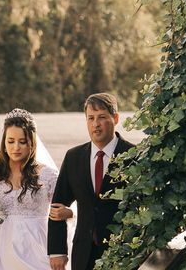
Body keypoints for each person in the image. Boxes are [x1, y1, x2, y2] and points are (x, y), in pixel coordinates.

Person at [0, 108, 70, 270]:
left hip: (35, 244)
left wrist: (68, 215)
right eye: (10, 141)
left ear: (31, 142)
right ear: (4, 142)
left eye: (22, 142)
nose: (16, 147)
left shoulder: (48, 176)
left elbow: (61, 213)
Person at [48, 93, 135, 270]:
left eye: (102, 117)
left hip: (122, 255)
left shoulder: (134, 156)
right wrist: (57, 251)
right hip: (83, 253)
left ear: (115, 118)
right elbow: (57, 206)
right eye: (91, 118)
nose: (96, 124)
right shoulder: (73, 157)